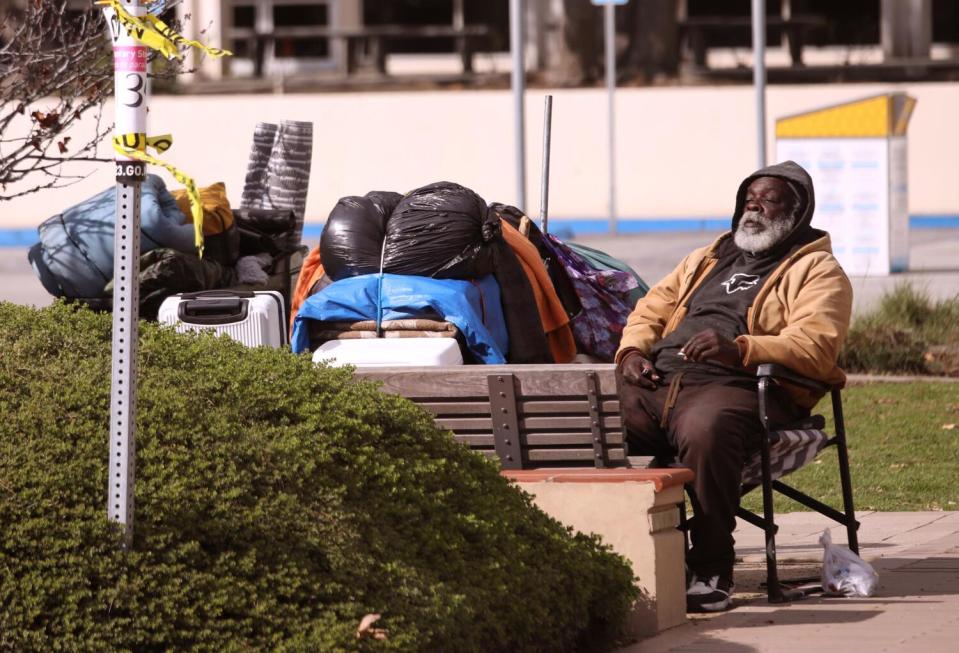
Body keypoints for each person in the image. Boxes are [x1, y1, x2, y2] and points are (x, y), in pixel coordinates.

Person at [615, 161, 852, 613]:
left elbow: (816, 345)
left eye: (768, 200)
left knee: (708, 428)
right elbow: (649, 310)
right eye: (749, 199)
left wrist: (740, 349)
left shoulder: (818, 270)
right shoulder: (706, 257)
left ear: (797, 211)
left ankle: (710, 569)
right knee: (591, 419)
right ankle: (621, 557)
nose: (754, 207)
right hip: (661, 380)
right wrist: (632, 354)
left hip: (744, 386)